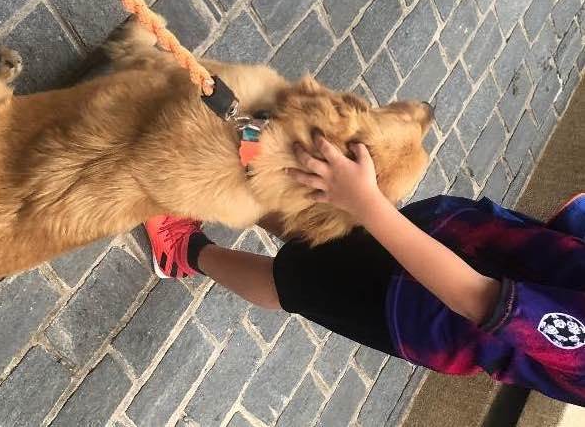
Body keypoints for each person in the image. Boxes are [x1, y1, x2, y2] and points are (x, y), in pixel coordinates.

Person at [145, 134, 585, 406]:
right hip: (460, 239)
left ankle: (184, 250)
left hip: (418, 309)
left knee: (294, 283)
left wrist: (368, 202)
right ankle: (227, 184)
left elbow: (480, 299)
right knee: (329, 229)